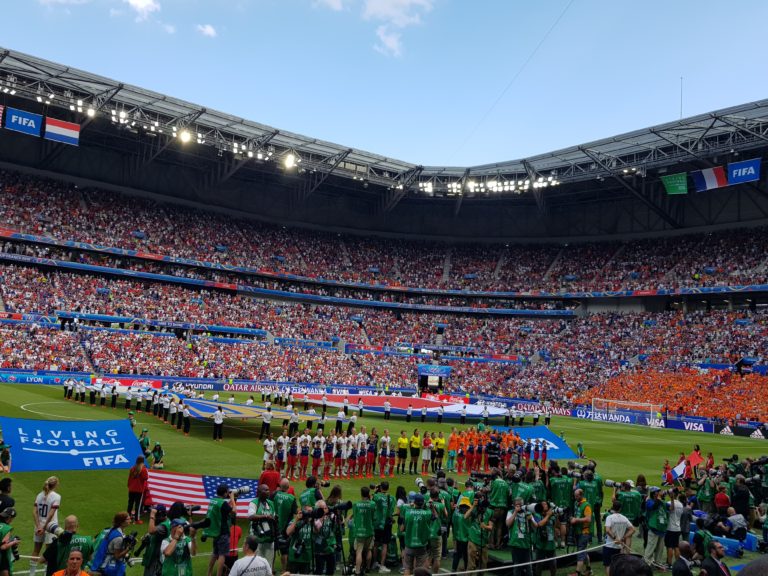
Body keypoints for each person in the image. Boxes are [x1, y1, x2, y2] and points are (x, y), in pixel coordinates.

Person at [202, 485, 236, 576]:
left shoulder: (213, 501)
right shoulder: (222, 503)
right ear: (225, 493)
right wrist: (232, 499)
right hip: (223, 532)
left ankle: (208, 573)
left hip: (215, 532)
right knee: (222, 555)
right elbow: (234, 511)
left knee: (214, 553)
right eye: (227, 492)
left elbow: (222, 510)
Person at [31, 476, 62, 576]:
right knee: (49, 552)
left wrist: (38, 526)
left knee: (36, 550)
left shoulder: (39, 495)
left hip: (38, 525)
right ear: (56, 484)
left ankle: (31, 574)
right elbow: (51, 513)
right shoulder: (56, 496)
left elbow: (34, 512)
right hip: (50, 527)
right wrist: (44, 528)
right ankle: (46, 574)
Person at [91, 511, 132, 576]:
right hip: (111, 568)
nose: (130, 520)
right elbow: (117, 556)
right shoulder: (118, 538)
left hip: (103, 564)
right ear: (122, 522)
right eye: (128, 519)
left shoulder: (112, 530)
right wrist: (128, 548)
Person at [403, 494, 433, 576]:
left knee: (407, 568)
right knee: (420, 569)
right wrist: (427, 505)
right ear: (423, 503)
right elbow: (433, 515)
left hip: (409, 544)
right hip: (421, 545)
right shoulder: (427, 513)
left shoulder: (408, 512)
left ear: (414, 502)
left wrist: (411, 505)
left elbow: (406, 510)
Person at [271, 479, 297, 574]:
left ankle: (272, 569)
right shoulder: (291, 498)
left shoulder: (274, 494)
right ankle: (283, 570)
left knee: (273, 549)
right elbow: (295, 512)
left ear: (280, 486)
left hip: (273, 526)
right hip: (285, 529)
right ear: (288, 487)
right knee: (284, 551)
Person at [603, 500, 634, 576]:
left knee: (608, 565)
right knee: (617, 566)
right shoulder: (624, 518)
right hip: (619, 547)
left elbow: (607, 530)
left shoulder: (609, 517)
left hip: (609, 546)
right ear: (620, 509)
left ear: (612, 507)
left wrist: (615, 538)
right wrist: (623, 537)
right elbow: (632, 529)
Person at [247, 485, 276, 566]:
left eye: (268, 490)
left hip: (269, 538)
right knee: (256, 565)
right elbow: (251, 516)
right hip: (257, 538)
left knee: (268, 564)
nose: (268, 491)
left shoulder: (271, 503)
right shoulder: (254, 503)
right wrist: (266, 516)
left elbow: (273, 517)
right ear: (259, 492)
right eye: (266, 490)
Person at [465, 494, 493, 575]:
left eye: (485, 507)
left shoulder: (490, 512)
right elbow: (465, 516)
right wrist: (473, 506)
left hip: (484, 541)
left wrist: (485, 526)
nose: (483, 509)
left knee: (483, 565)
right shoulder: (475, 509)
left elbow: (491, 527)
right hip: (473, 539)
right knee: (471, 565)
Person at [352, 486, 377, 576]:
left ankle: (357, 571)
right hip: (369, 531)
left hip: (359, 531)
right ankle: (368, 568)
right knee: (369, 550)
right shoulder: (372, 504)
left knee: (359, 551)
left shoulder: (356, 504)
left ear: (361, 494)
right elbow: (374, 517)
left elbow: (355, 517)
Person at [506, 497, 534, 576]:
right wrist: (515, 512)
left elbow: (535, 526)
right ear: (514, 505)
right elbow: (508, 524)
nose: (519, 507)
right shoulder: (510, 512)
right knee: (517, 568)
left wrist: (531, 519)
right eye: (517, 505)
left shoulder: (527, 513)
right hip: (515, 544)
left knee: (529, 568)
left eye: (521, 505)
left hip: (526, 544)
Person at [373, 482, 395, 574]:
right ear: (388, 488)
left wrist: (375, 491)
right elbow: (391, 511)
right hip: (386, 523)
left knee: (376, 543)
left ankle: (374, 563)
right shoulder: (392, 498)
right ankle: (382, 566)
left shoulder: (376, 496)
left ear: (380, 487)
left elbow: (373, 501)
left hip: (377, 523)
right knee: (385, 544)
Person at [569, 488, 592, 576]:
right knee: (584, 551)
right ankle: (589, 570)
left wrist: (576, 520)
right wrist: (572, 518)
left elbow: (588, 519)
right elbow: (576, 514)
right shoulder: (576, 503)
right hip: (578, 531)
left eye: (577, 496)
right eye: (575, 496)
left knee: (580, 551)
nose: (575, 497)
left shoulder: (587, 505)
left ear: (581, 495)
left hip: (584, 532)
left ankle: (577, 572)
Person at [285, 506, 314, 574]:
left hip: (306, 557)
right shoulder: (295, 521)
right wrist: (296, 520)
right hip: (294, 556)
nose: (310, 513)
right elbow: (288, 532)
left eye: (311, 511)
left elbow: (318, 531)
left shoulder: (312, 522)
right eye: (308, 511)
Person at [127, 457, 148, 524]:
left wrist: (129, 485)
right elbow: (146, 478)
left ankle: (128, 517)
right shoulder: (143, 469)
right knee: (138, 505)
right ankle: (137, 520)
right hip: (139, 489)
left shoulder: (132, 468)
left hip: (131, 488)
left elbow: (129, 478)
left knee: (130, 503)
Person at [0, 507, 18, 576]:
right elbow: (3, 547)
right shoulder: (7, 528)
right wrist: (14, 542)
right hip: (2, 558)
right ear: (10, 518)